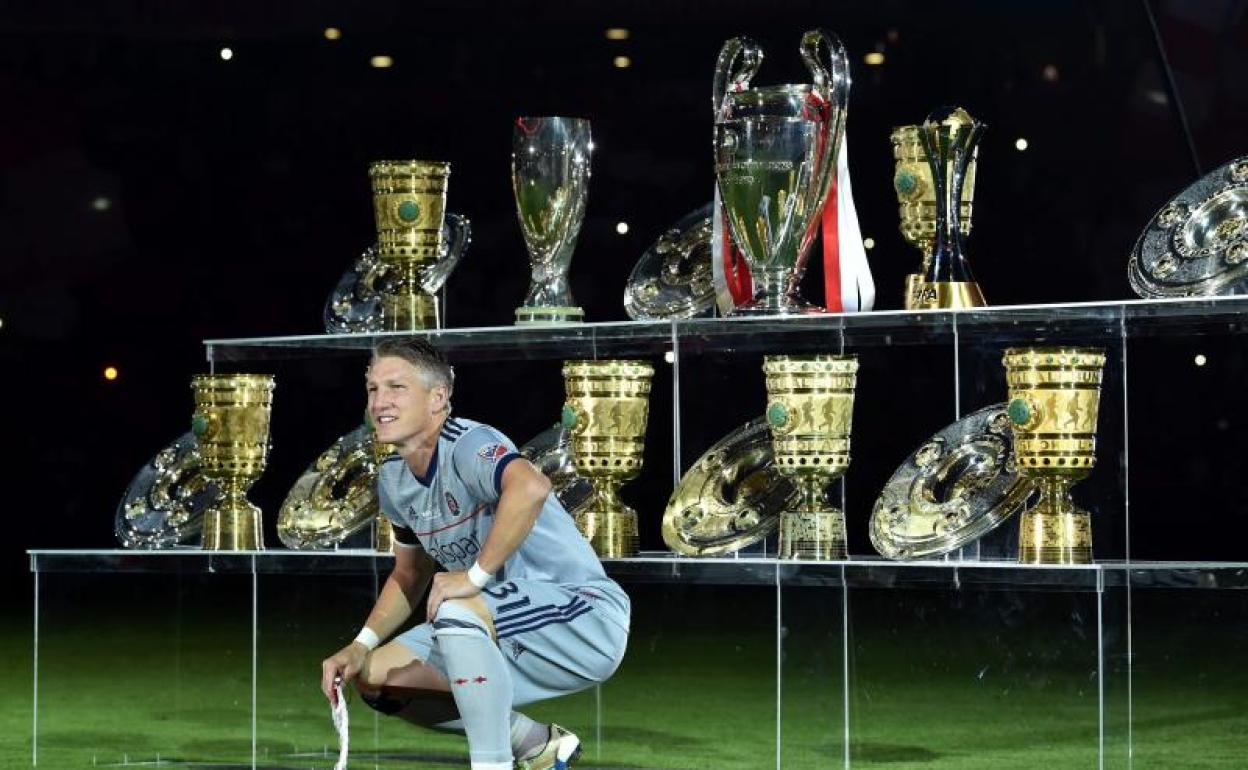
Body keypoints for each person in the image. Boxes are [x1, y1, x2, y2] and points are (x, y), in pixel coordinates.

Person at [320, 339, 630, 770]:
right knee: (375, 679)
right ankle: (535, 743)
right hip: (493, 622)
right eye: (373, 389)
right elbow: (409, 575)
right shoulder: (393, 478)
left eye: (396, 387)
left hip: (583, 616)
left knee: (457, 610)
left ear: (438, 397)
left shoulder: (467, 442)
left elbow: (532, 487)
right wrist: (359, 645)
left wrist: (473, 577)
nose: (380, 401)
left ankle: (490, 764)